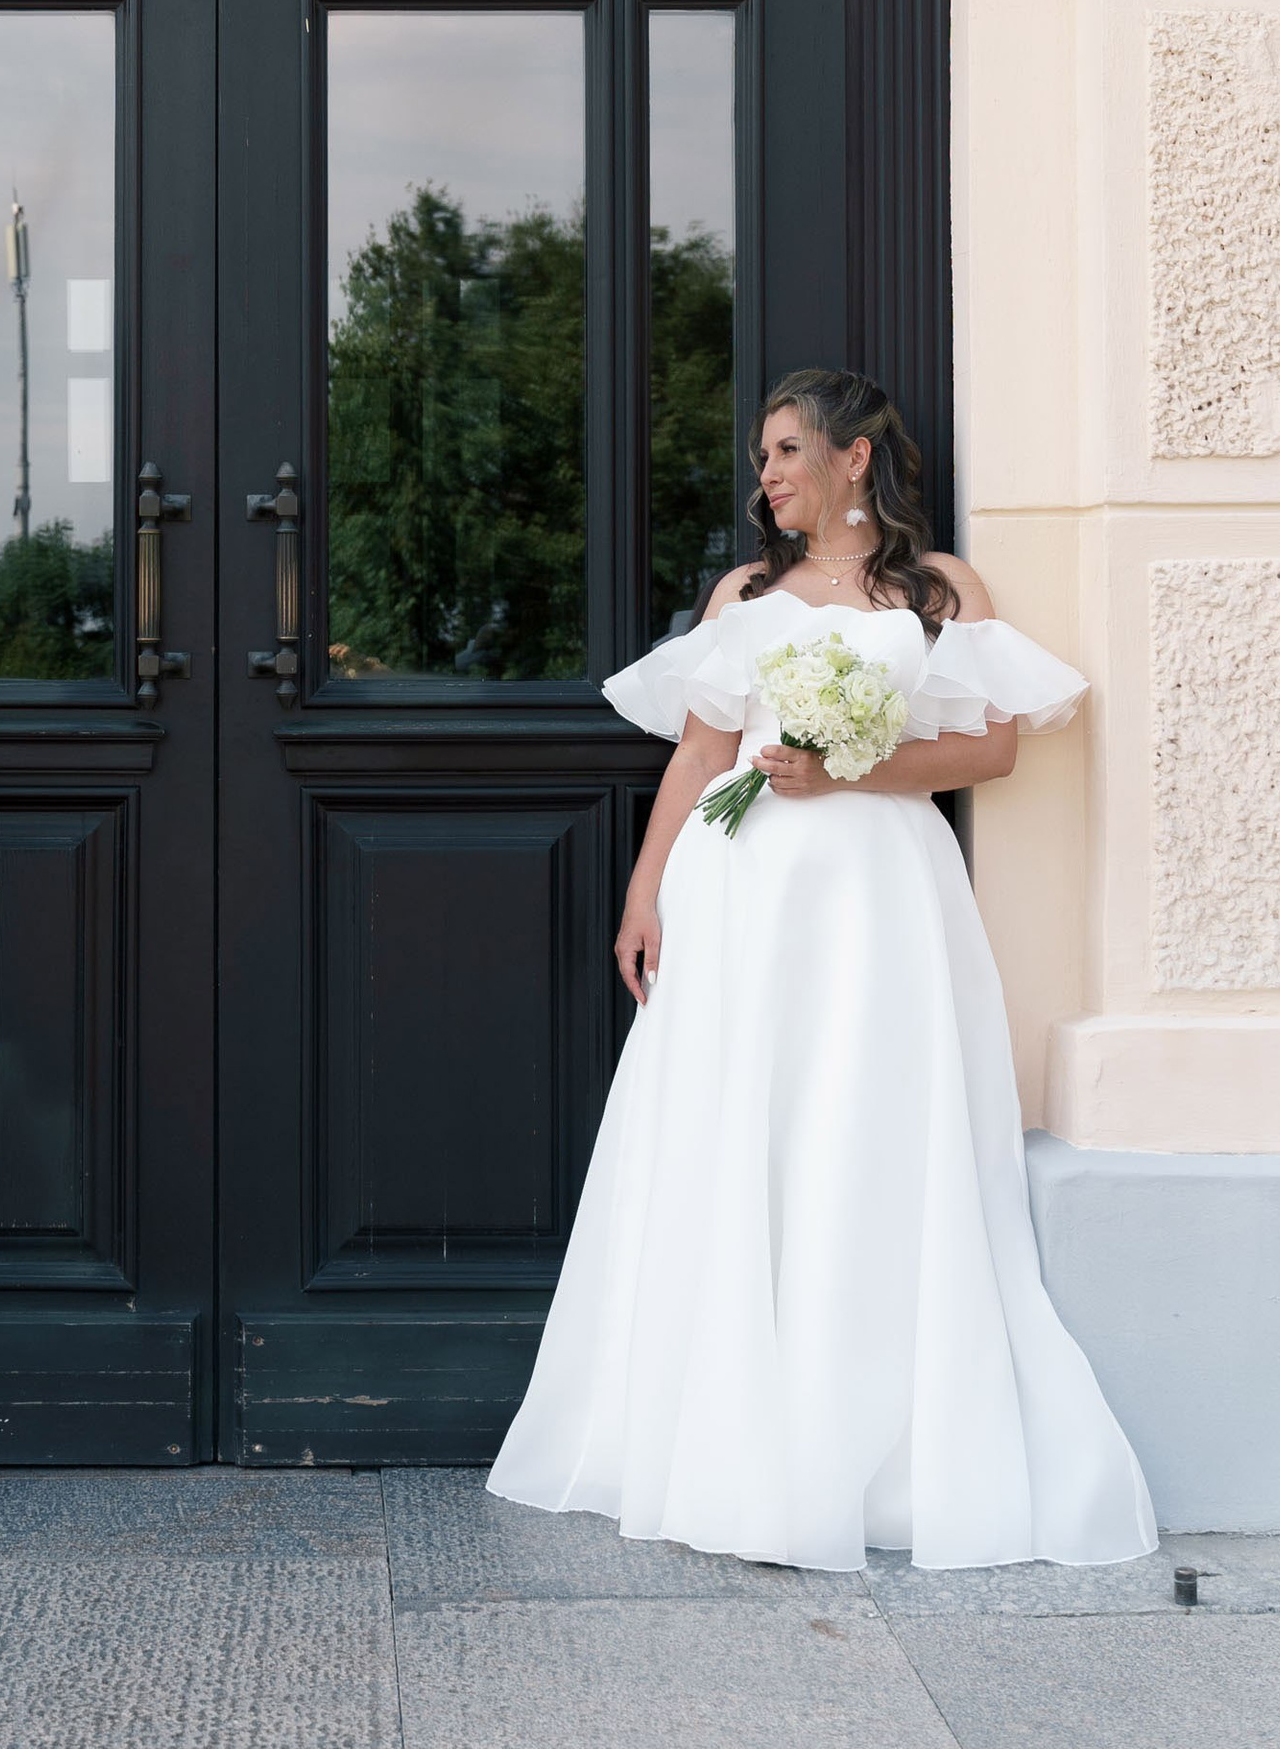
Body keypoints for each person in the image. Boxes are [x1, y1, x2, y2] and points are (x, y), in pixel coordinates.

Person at [491, 366, 1156, 1573]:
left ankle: (873, 1430)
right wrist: (644, 892)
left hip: (879, 894)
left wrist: (848, 770)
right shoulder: (744, 592)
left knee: (867, 1122)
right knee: (742, 1119)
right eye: (762, 459)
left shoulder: (937, 589)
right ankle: (727, 1428)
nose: (769, 476)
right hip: (742, 886)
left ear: (855, 459)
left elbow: (989, 749)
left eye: (787, 451)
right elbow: (700, 751)